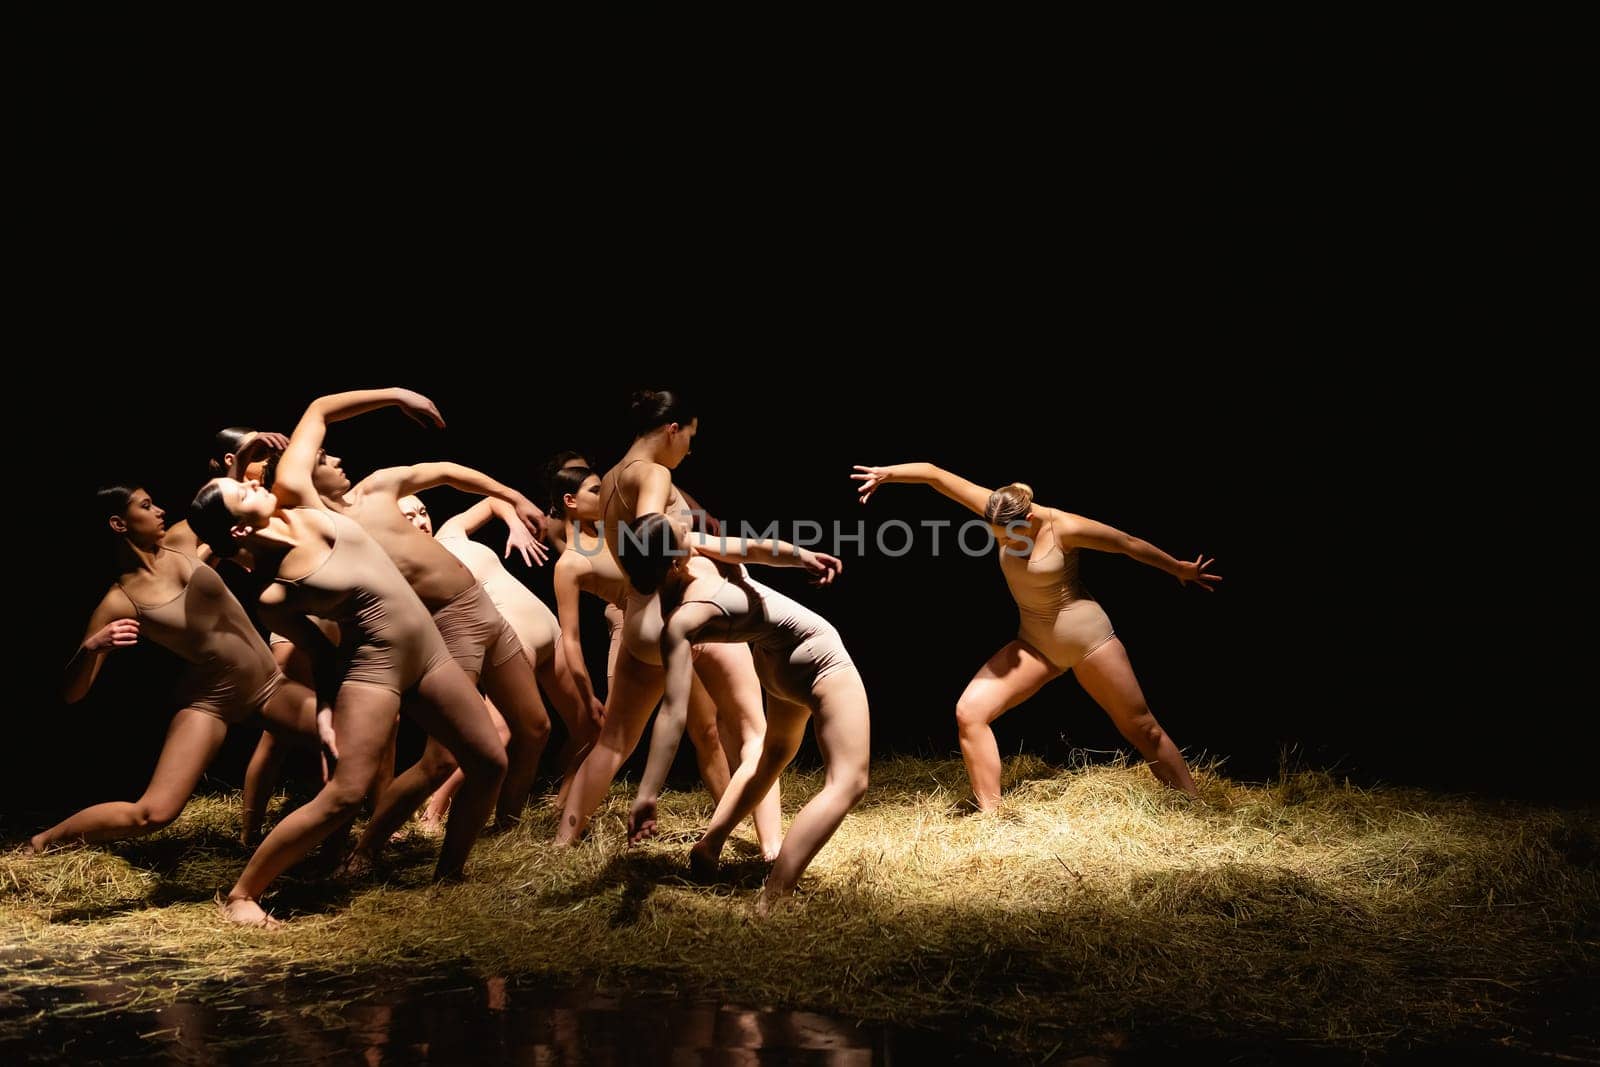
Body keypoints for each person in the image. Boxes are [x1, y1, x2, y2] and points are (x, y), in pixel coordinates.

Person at [188, 387, 507, 924]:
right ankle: (242, 896)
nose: (250, 482)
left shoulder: (295, 492)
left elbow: (317, 409)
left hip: (428, 652)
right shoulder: (276, 593)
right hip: (374, 666)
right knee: (346, 794)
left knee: (489, 762)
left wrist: (398, 397)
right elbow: (320, 655)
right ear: (241, 529)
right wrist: (328, 711)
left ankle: (449, 878)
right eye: (239, 491)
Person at [852, 463, 1220, 808]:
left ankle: (1193, 804)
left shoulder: (1065, 527)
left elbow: (1127, 542)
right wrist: (887, 474)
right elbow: (934, 475)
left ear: (1028, 518)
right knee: (970, 712)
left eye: (1011, 535)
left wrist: (1178, 569)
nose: (1006, 543)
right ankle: (990, 815)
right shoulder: (999, 509)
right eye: (998, 537)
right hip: (1036, 643)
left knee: (1142, 727)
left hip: (1088, 641)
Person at [29, 485, 318, 853]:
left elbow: (221, 499)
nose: (160, 511)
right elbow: (73, 694)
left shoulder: (182, 540)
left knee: (348, 741)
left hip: (268, 688)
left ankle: (355, 844)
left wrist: (246, 452)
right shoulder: (121, 600)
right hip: (210, 703)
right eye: (147, 506)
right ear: (119, 523)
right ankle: (45, 840)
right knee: (153, 814)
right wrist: (90, 649)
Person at [555, 392, 779, 855]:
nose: (690, 450)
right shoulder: (655, 473)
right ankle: (775, 853)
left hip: (639, 621)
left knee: (614, 743)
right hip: (684, 608)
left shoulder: (613, 478)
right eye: (690, 437)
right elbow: (652, 540)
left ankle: (560, 844)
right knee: (754, 731)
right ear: (672, 429)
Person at [616, 513, 863, 913]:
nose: (682, 519)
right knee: (850, 781)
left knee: (773, 754)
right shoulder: (688, 602)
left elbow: (755, 549)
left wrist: (802, 557)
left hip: (775, 665)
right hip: (819, 657)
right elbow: (673, 714)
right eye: (674, 525)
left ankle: (710, 846)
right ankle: (774, 896)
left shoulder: (678, 602)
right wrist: (646, 793)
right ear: (673, 561)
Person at [396, 493, 597, 821]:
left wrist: (515, 525)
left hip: (548, 626)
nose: (421, 521)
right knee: (500, 731)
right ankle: (433, 810)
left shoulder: (449, 532)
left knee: (588, 726)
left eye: (422, 512)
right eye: (408, 518)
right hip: (513, 633)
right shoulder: (409, 565)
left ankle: (527, 815)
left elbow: (492, 502)